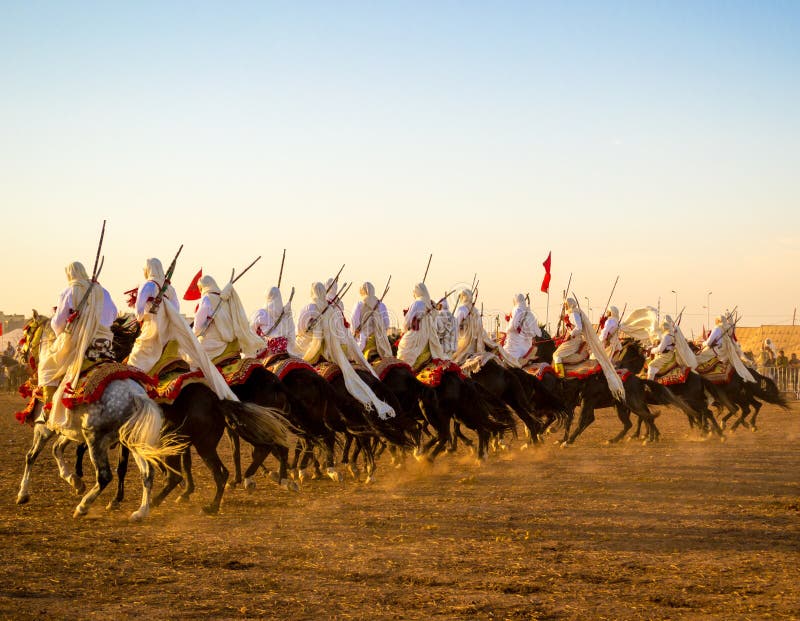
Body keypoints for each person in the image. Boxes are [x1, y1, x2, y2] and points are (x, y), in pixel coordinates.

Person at [127, 258, 237, 399]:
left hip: (153, 334)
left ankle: (135, 396)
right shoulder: (170, 289)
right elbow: (176, 310)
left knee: (133, 365)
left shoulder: (148, 285)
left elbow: (138, 312)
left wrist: (145, 316)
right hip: (172, 336)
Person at [296, 282, 394, 420]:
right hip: (369, 342)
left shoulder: (310, 307)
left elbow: (301, 329)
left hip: (323, 349)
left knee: (302, 365)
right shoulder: (332, 307)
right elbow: (386, 324)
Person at [37, 261, 117, 431]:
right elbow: (113, 314)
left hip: (80, 341)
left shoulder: (70, 290)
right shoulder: (101, 290)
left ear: (70, 274)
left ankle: (49, 408)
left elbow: (57, 323)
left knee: (48, 366)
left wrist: (67, 331)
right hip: (105, 342)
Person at [193, 274, 264, 362]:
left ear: (202, 287)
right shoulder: (225, 299)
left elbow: (198, 325)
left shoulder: (206, 299)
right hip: (230, 341)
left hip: (213, 344)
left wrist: (192, 335)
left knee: (193, 358)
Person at [396, 283, 446, 369]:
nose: (413, 293)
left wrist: (404, 330)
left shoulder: (417, 303)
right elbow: (434, 317)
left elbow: (407, 321)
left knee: (403, 347)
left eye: (414, 291)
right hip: (429, 335)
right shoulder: (430, 304)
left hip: (417, 334)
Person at [453, 288, 502, 365]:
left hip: (464, 344)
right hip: (475, 345)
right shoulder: (475, 310)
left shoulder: (461, 309)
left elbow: (454, 325)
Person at [251, 286, 301, 357]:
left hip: (267, 350)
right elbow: (291, 334)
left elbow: (251, 332)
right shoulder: (286, 313)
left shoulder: (261, 313)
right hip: (285, 347)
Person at [350, 282, 392, 361]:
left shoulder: (359, 304)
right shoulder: (381, 305)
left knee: (353, 358)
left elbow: (354, 322)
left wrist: (356, 333)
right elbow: (386, 324)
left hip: (364, 338)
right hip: (380, 339)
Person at [502, 293, 541, 365]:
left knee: (502, 354)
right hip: (526, 346)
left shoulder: (517, 310)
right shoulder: (530, 313)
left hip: (514, 346)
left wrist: (508, 326)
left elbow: (513, 326)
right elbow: (535, 332)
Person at [552, 297, 585, 377]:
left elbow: (579, 328)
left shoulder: (574, 314)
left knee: (557, 356)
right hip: (572, 339)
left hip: (574, 341)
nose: (565, 306)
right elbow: (571, 326)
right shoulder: (571, 314)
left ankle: (560, 376)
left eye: (566, 304)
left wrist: (571, 334)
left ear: (570, 304)